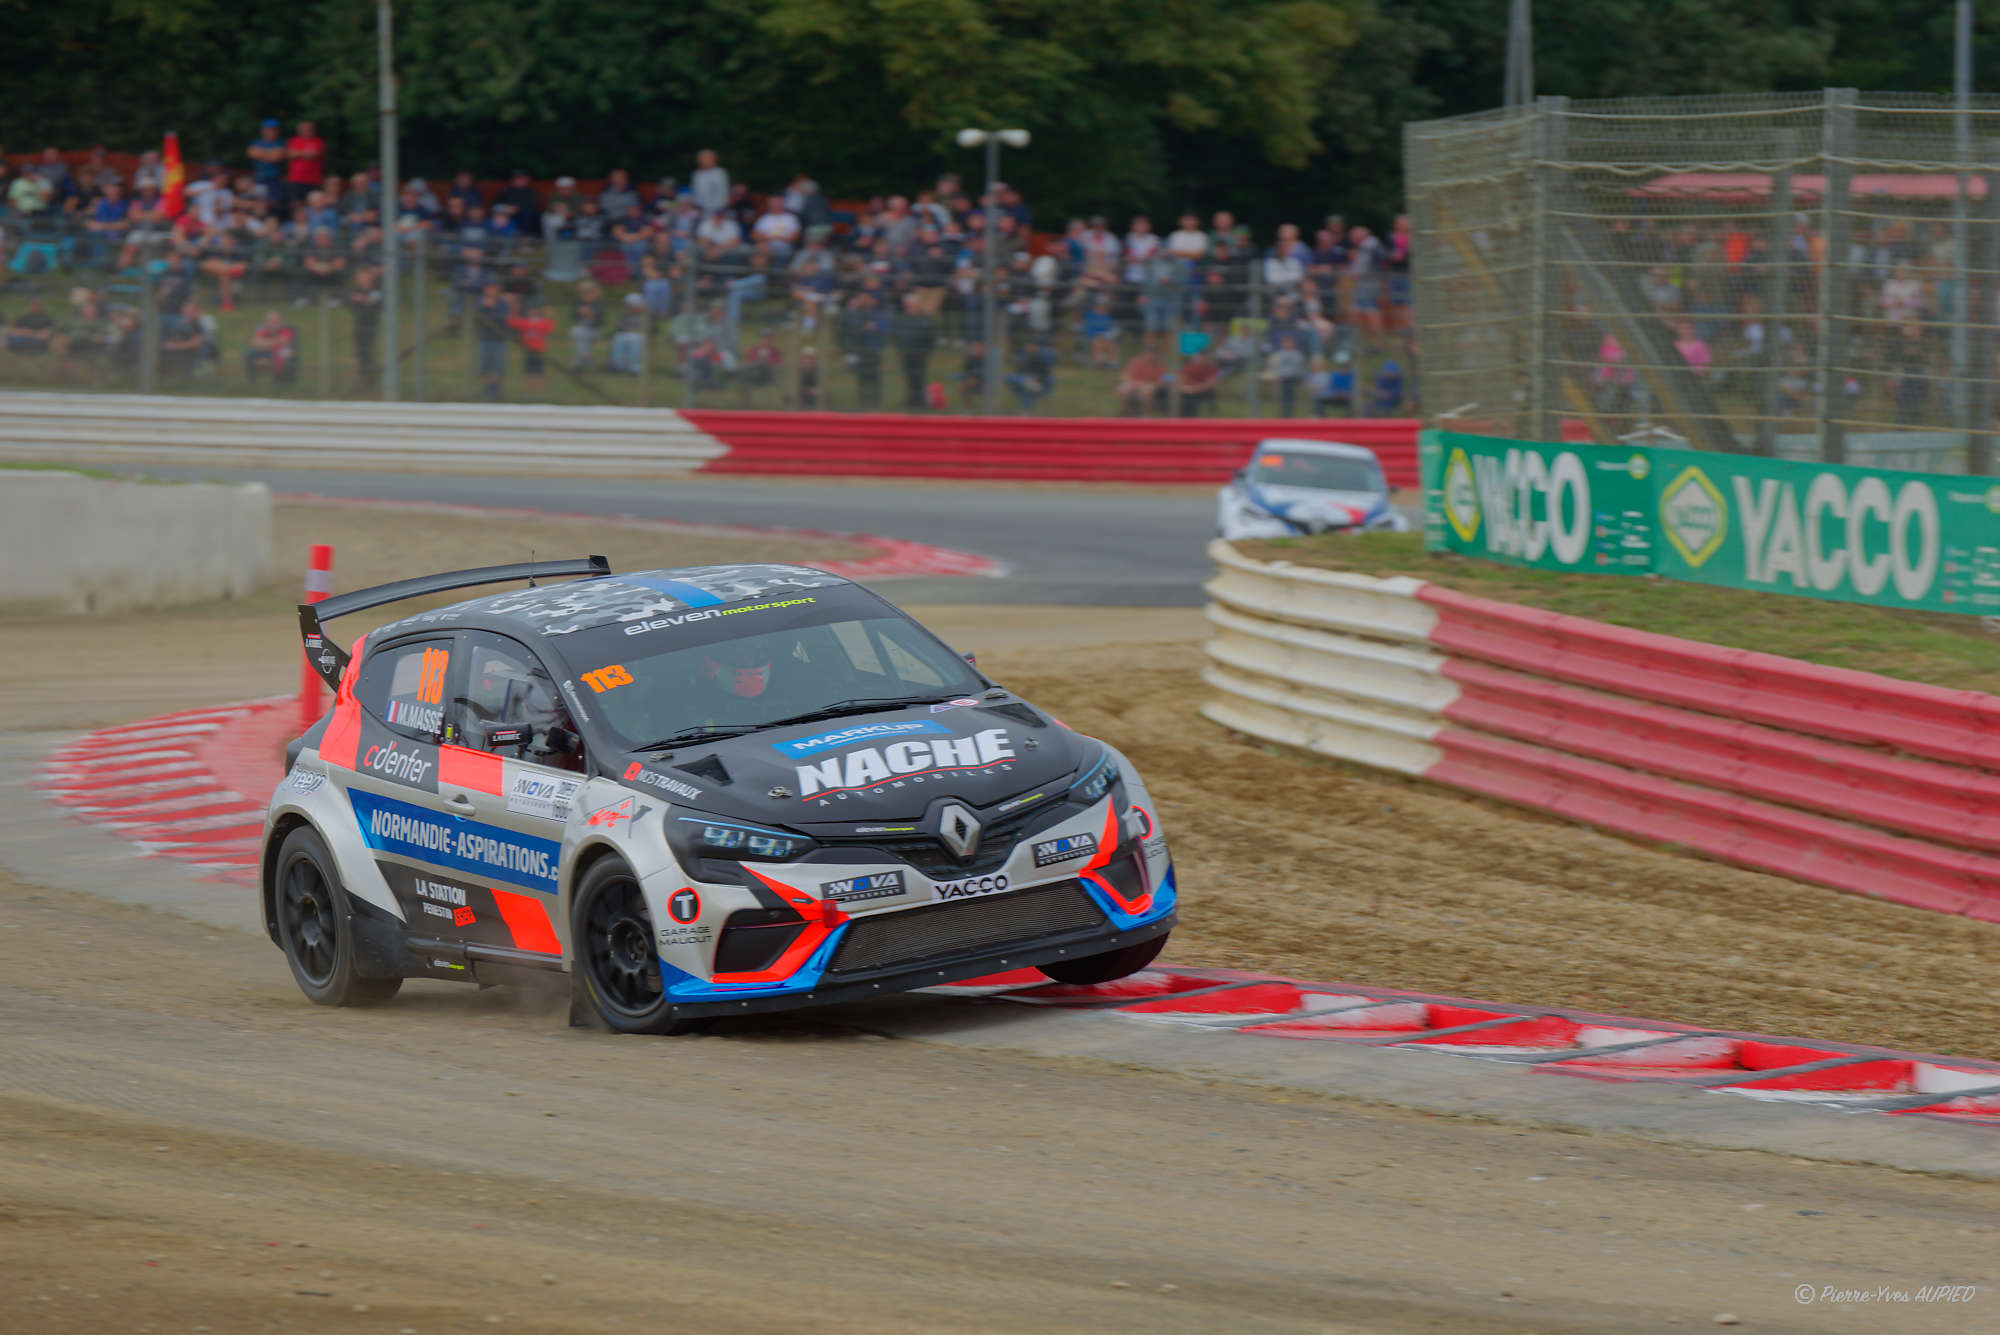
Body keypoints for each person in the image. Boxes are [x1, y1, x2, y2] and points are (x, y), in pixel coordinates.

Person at [891, 290, 936, 411]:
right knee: (909, 378)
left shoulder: (925, 319)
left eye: (913, 304)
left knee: (919, 378)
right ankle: (911, 400)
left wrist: (927, 350)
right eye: (909, 305)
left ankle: (920, 402)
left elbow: (930, 337)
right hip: (906, 354)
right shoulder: (902, 319)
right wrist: (900, 349)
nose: (911, 307)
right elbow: (897, 335)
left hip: (920, 354)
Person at [507, 297, 555, 397]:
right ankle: (529, 393)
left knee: (540, 373)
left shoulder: (542, 322)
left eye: (535, 310)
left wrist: (551, 315)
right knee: (529, 373)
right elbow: (512, 322)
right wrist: (514, 309)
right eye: (530, 310)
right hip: (528, 351)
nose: (533, 312)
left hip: (539, 350)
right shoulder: (525, 322)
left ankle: (540, 393)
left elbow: (550, 327)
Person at [474, 281, 510, 400]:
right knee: (484, 366)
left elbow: (504, 318)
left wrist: (492, 308)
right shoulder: (480, 302)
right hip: (485, 338)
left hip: (499, 339)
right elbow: (477, 317)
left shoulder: (503, 303)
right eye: (489, 288)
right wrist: (485, 307)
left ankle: (497, 388)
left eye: (493, 288)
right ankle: (488, 388)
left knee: (500, 366)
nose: (491, 291)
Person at [243, 310, 297, 382]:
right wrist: (275, 342)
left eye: (276, 321)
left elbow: (284, 341)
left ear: (281, 321)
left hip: (280, 352)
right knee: (249, 353)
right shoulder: (262, 329)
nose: (273, 323)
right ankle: (251, 380)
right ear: (267, 322)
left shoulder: (286, 330)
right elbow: (255, 342)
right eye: (271, 321)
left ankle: (283, 380)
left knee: (286, 355)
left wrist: (264, 343)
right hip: (266, 351)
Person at [349, 267, 382, 380]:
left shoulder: (376, 290)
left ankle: (370, 373)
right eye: (360, 277)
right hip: (359, 324)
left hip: (371, 324)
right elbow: (353, 303)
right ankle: (363, 373)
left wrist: (363, 300)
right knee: (360, 349)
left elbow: (375, 304)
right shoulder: (356, 291)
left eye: (364, 276)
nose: (362, 279)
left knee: (368, 348)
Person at [1115, 346, 1166, 416]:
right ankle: (1126, 411)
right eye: (1148, 353)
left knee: (1146, 391)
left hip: (1149, 385)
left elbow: (1163, 380)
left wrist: (1154, 385)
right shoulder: (1136, 362)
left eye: (1152, 353)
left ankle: (1145, 414)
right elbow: (1125, 376)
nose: (1150, 355)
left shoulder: (1160, 365)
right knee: (1123, 389)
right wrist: (1133, 383)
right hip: (1134, 384)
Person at [285, 121, 326, 202]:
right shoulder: (293, 141)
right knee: (295, 203)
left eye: (309, 129)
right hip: (295, 179)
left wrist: (297, 153)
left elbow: (315, 154)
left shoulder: (318, 141)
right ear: (299, 130)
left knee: (313, 203)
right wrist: (306, 153)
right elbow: (289, 154)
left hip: (313, 180)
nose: (306, 131)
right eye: (303, 129)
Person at [569, 281, 605, 373]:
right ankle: (585, 359)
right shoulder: (578, 303)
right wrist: (579, 312)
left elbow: (601, 322)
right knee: (579, 333)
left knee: (579, 335)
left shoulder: (598, 305)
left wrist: (591, 315)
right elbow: (572, 317)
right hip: (581, 329)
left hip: (593, 330)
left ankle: (577, 365)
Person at [609, 293, 647, 374]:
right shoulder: (625, 315)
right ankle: (618, 365)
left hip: (639, 335)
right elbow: (619, 328)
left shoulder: (646, 315)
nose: (630, 307)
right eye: (629, 305)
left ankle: (634, 367)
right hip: (625, 334)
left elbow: (651, 329)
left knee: (634, 340)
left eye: (633, 305)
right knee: (618, 338)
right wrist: (619, 325)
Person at [1178, 346, 1220, 415]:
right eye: (1201, 356)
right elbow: (1181, 379)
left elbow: (1211, 383)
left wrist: (1195, 389)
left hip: (1202, 391)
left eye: (1205, 356)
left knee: (1197, 397)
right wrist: (1184, 388)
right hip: (1187, 390)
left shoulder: (1212, 367)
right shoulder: (1190, 366)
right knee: (1183, 398)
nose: (1202, 358)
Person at [690, 149, 729, 216]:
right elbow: (694, 193)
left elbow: (723, 194)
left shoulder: (719, 173)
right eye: (702, 158)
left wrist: (717, 210)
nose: (704, 161)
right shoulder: (696, 174)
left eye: (707, 158)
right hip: (698, 209)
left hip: (716, 210)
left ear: (714, 160)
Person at [795, 344, 822, 409]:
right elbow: (795, 389)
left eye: (811, 358)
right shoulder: (797, 372)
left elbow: (821, 390)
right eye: (806, 358)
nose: (808, 361)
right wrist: (810, 391)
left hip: (815, 404)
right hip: (800, 404)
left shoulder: (818, 371)